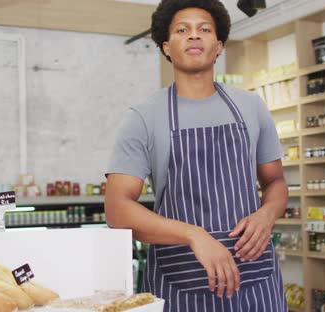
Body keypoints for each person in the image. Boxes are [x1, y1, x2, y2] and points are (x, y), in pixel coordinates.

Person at [105, 0, 288, 310]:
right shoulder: (143, 116)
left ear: (218, 46)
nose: (194, 36)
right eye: (182, 30)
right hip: (180, 281)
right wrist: (194, 235)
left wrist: (266, 215)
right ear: (166, 46)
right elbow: (117, 209)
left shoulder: (251, 107)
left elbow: (276, 182)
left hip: (255, 278)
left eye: (204, 29)